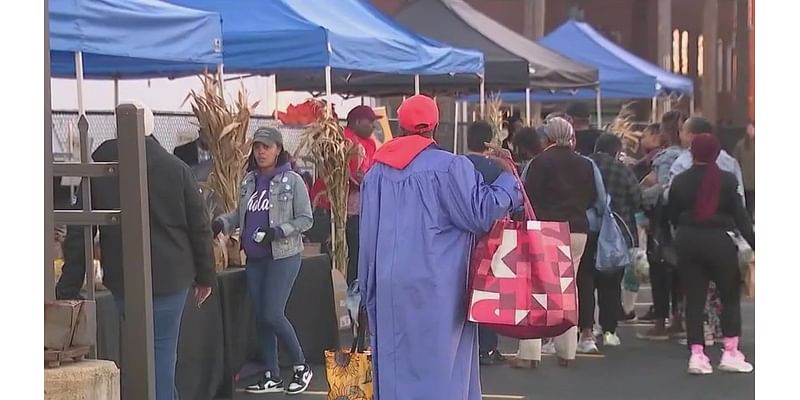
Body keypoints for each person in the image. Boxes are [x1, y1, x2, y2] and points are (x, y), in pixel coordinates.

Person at [358, 95, 522, 399]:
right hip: (438, 284)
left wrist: (366, 292)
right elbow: (481, 213)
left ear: (400, 123)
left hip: (388, 284)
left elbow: (366, 237)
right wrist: (509, 181)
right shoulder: (449, 167)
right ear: (435, 123)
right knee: (441, 368)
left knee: (395, 366)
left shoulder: (377, 172)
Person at [58, 102, 216, 400]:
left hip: (123, 277)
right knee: (161, 357)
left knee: (142, 354)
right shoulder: (176, 169)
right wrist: (205, 276)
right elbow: (199, 227)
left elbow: (80, 229)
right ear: (152, 129)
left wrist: (69, 284)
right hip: (172, 275)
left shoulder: (99, 167)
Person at [213, 127, 314, 394]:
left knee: (272, 313)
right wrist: (222, 223)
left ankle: (301, 366)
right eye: (257, 146)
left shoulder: (292, 180)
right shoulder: (249, 180)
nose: (261, 151)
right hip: (255, 258)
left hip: (282, 256)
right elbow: (240, 213)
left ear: (278, 149)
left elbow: (306, 218)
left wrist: (278, 232)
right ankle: (271, 374)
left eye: (266, 147)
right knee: (261, 318)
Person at [668, 134, 754, 375]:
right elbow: (741, 217)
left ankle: (697, 354)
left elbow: (671, 214)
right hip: (719, 240)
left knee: (694, 299)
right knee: (729, 296)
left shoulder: (680, 181)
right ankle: (730, 351)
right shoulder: (726, 181)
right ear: (716, 154)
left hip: (687, 239)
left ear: (692, 152)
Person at [514, 117, 597, 367]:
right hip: (578, 229)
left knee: (537, 289)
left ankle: (530, 353)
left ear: (547, 138)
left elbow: (528, 196)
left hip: (547, 228)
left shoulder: (541, 162)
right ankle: (567, 351)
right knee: (568, 289)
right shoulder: (585, 164)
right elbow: (592, 197)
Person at [576, 134, 642, 352]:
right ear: (616, 151)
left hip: (588, 228)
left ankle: (586, 330)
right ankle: (609, 330)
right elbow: (637, 199)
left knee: (584, 280)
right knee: (611, 282)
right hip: (616, 234)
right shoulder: (622, 170)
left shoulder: (583, 166)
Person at [309, 106, 380, 286]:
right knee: (333, 256)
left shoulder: (370, 143)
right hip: (331, 208)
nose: (373, 125)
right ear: (356, 122)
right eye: (370, 121)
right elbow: (349, 174)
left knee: (354, 255)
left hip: (354, 212)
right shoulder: (343, 141)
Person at [638, 111, 688, 339]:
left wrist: (641, 194)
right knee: (680, 271)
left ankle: (660, 320)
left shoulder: (667, 158)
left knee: (660, 269)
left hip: (662, 221)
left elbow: (659, 189)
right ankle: (678, 318)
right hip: (685, 221)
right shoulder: (691, 156)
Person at [464, 121, 506, 366]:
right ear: (490, 140)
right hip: (491, 237)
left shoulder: (456, 165)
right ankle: (487, 347)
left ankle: (466, 345)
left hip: (459, 238)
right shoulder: (497, 167)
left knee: (460, 292)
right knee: (488, 292)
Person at [734, 122, 755, 219]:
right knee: (746, 202)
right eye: (749, 128)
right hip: (745, 179)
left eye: (753, 128)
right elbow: (736, 160)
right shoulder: (741, 145)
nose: (751, 131)